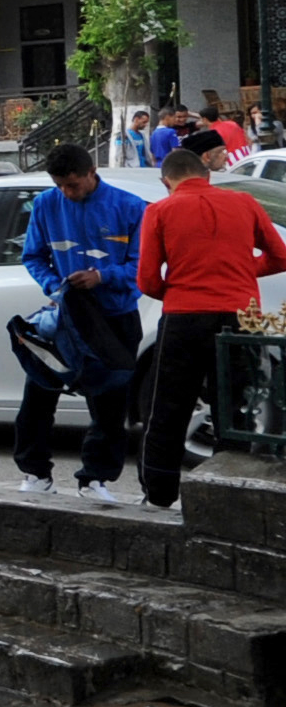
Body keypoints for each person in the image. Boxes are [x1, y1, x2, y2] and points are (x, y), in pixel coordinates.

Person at [136, 149, 286, 507]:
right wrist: (243, 271)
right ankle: (229, 495)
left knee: (167, 409)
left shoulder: (160, 210)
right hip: (239, 320)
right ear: (206, 174)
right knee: (236, 409)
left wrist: (174, 289)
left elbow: (146, 279)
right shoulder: (245, 203)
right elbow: (280, 256)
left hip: (184, 318)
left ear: (166, 182)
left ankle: (159, 495)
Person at [10, 143, 145, 504]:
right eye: (60, 186)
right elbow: (33, 256)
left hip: (114, 317)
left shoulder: (130, 207)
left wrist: (102, 277)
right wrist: (56, 286)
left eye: (73, 185)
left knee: (110, 403)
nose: (67, 193)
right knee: (39, 392)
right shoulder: (45, 205)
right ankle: (35, 472)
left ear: (91, 173)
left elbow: (142, 266)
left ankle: (95, 478)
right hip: (65, 319)